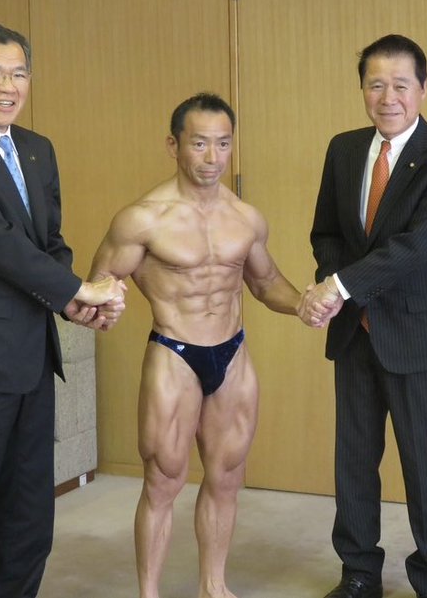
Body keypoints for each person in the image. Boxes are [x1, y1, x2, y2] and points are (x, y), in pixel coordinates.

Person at [0, 23, 125, 598]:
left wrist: (77, 306)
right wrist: (80, 289)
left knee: (31, 510)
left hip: (32, 356)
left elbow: (47, 242)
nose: (8, 86)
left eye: (19, 73)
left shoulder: (37, 149)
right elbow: (0, 246)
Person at [88, 92, 305, 598]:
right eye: (200, 144)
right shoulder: (142, 218)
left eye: (223, 144)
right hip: (175, 353)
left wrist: (303, 303)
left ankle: (213, 585)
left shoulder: (246, 218)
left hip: (232, 353)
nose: (212, 157)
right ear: (174, 145)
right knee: (163, 479)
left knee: (227, 476)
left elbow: (265, 282)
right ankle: (148, 593)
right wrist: (101, 305)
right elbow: (99, 284)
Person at [304, 35, 427, 598]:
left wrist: (337, 286)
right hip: (355, 334)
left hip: (422, 338)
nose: (388, 97)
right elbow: (327, 232)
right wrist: (336, 287)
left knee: (426, 468)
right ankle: (359, 573)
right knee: (354, 462)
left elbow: (420, 245)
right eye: (375, 84)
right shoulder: (344, 149)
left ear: (422, 89)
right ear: (362, 89)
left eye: (401, 85)